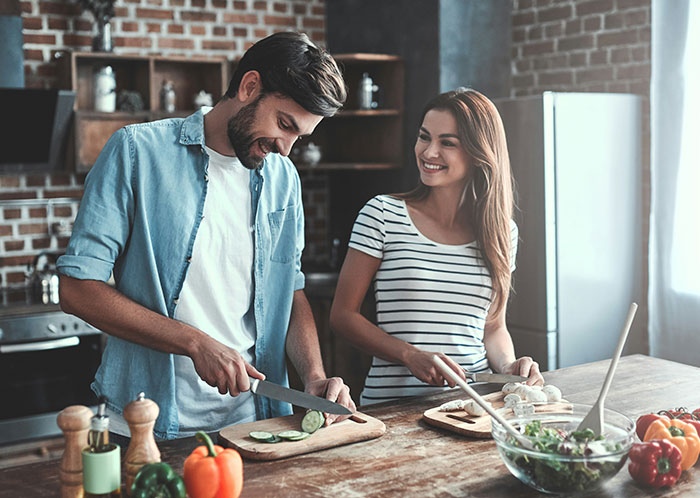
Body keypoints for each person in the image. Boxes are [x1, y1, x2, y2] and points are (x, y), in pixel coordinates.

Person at [57, 31, 356, 440]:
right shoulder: (136, 153)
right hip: (148, 424)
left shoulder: (283, 178)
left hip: (255, 424)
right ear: (250, 87)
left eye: (299, 137)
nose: (286, 149)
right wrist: (195, 343)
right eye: (284, 124)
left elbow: (291, 289)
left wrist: (315, 377)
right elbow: (76, 289)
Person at [329, 88, 544, 405]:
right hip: (393, 406)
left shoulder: (502, 232)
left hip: (473, 405)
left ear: (477, 153)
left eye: (447, 143)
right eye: (424, 137)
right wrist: (409, 355)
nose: (428, 152)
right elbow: (342, 316)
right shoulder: (382, 214)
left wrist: (509, 367)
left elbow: (492, 327)